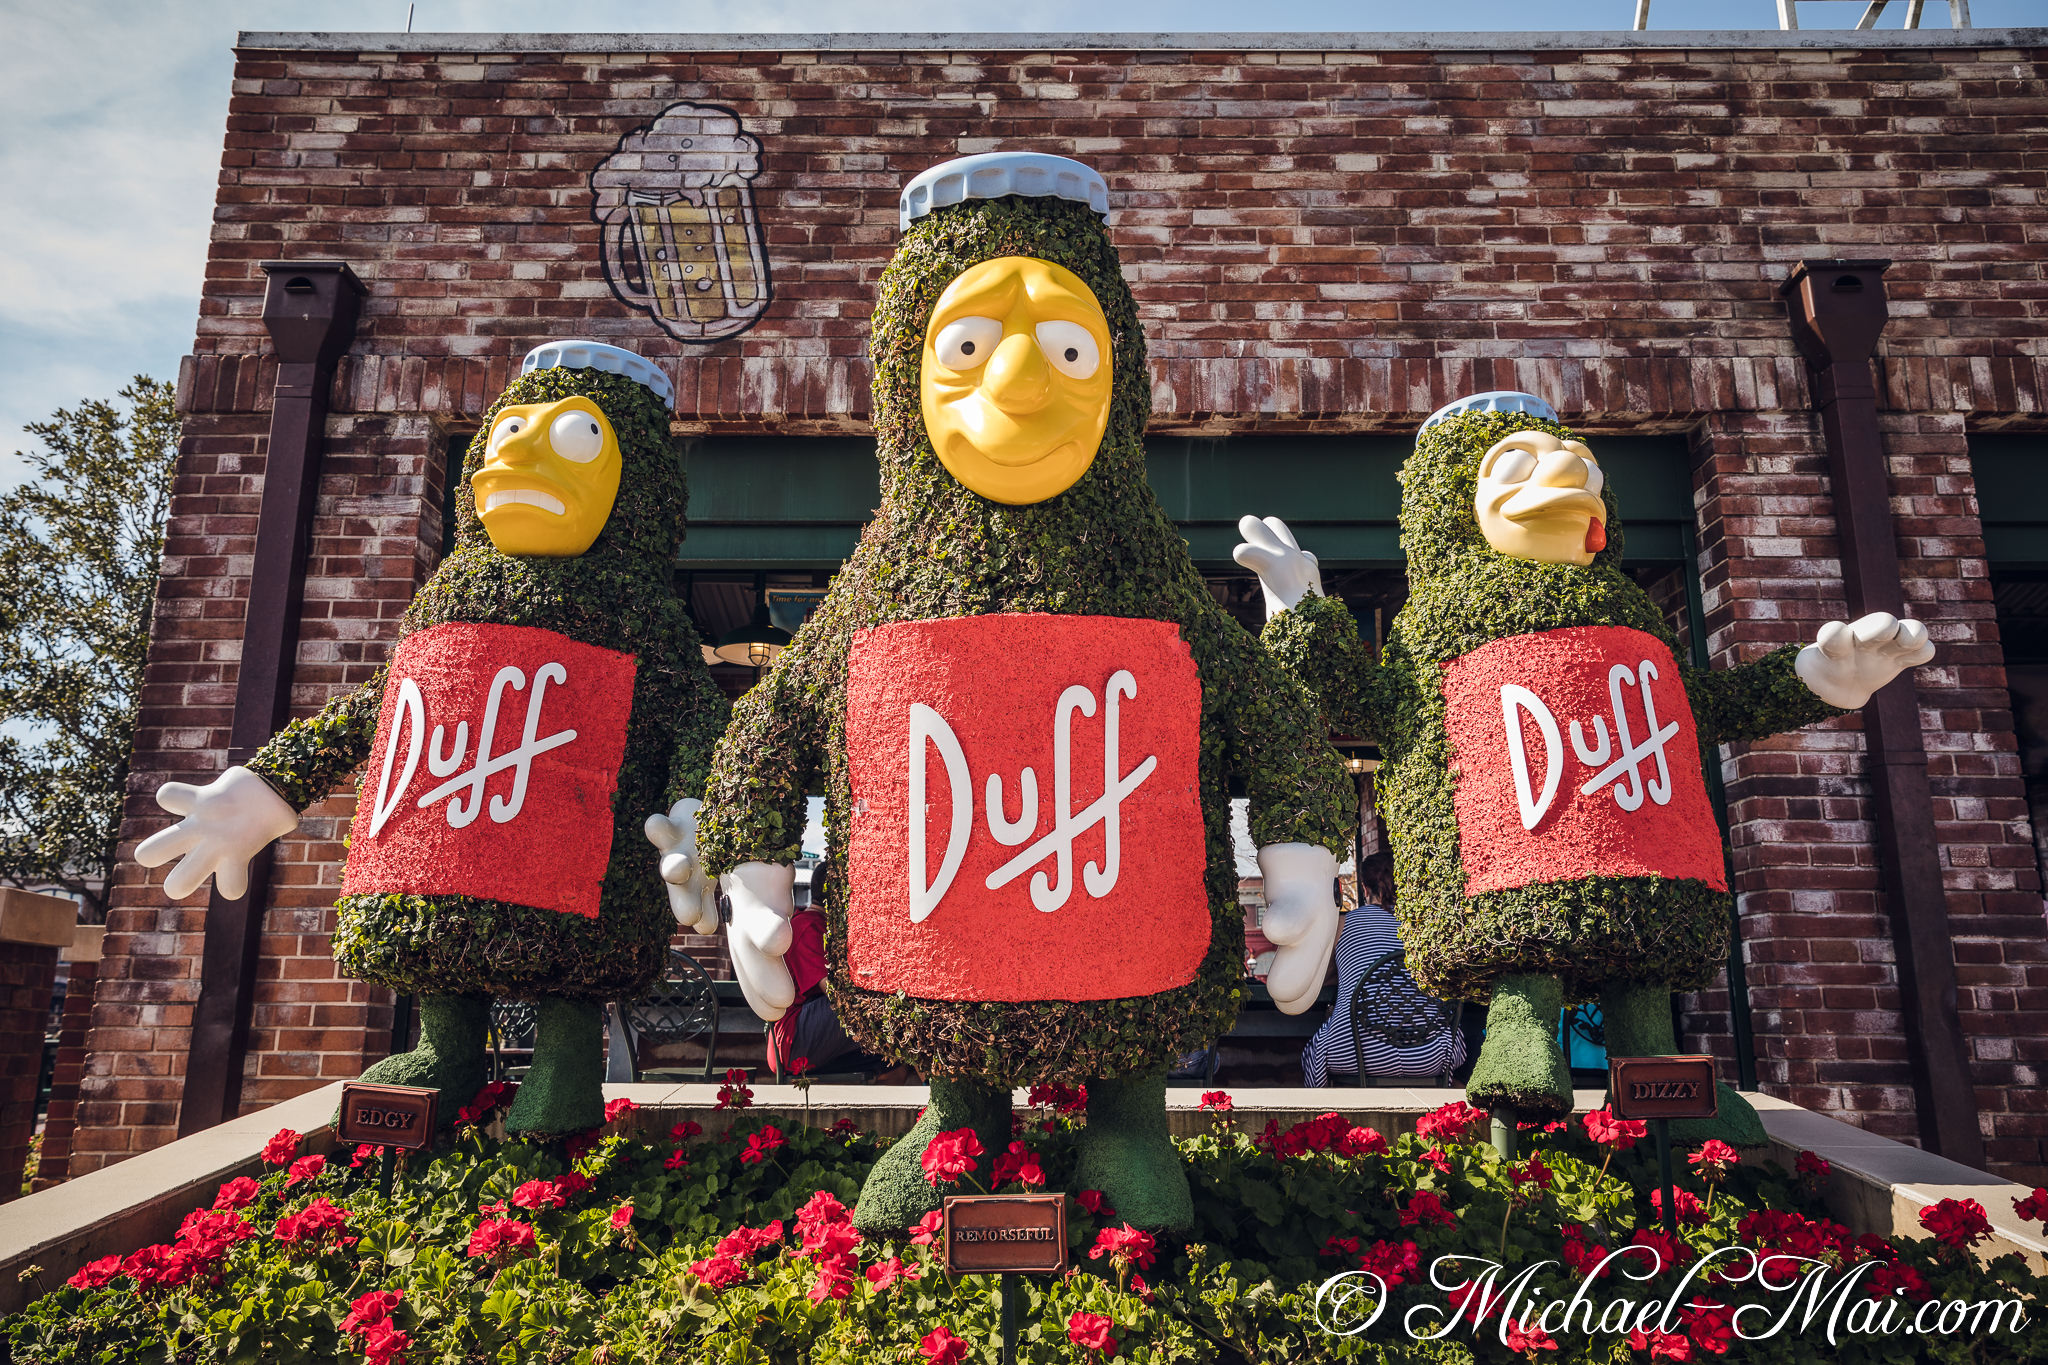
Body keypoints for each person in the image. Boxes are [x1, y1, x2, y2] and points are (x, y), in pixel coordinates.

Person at [1300, 853, 1467, 1087]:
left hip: (1356, 1053)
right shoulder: (1426, 927)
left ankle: (1327, 1120)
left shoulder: (1343, 924)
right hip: (1432, 1054)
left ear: (1365, 889)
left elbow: (1324, 978)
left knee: (1312, 1053)